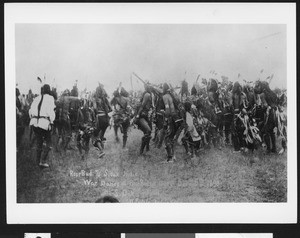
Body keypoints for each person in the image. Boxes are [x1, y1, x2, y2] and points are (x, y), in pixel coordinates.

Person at [29, 84, 56, 168]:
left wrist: (33, 119)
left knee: (39, 142)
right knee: (49, 144)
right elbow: (51, 111)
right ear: (49, 90)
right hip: (44, 123)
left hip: (34, 122)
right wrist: (51, 121)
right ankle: (43, 161)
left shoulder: (36, 98)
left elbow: (30, 111)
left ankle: (38, 162)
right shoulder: (50, 98)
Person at [162, 83, 183, 162]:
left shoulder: (165, 97)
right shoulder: (172, 96)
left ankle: (170, 158)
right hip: (178, 118)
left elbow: (167, 110)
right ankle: (173, 156)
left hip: (172, 118)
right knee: (172, 138)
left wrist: (165, 115)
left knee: (167, 138)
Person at [92, 83, 112, 158]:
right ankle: (101, 154)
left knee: (95, 136)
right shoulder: (105, 99)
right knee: (101, 136)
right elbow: (111, 109)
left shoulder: (95, 99)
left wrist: (96, 112)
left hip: (99, 119)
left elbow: (94, 108)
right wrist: (105, 111)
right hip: (106, 119)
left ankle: (101, 151)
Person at [134, 83, 153, 155]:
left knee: (148, 132)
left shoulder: (150, 94)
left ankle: (147, 148)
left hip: (146, 115)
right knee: (148, 131)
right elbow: (142, 105)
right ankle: (141, 151)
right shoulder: (147, 95)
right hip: (142, 115)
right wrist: (138, 115)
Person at [110, 85, 131, 149]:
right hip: (124, 116)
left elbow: (111, 104)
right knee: (125, 132)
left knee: (114, 122)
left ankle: (116, 134)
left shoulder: (115, 99)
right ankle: (124, 146)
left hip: (117, 116)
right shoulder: (126, 99)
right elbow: (128, 109)